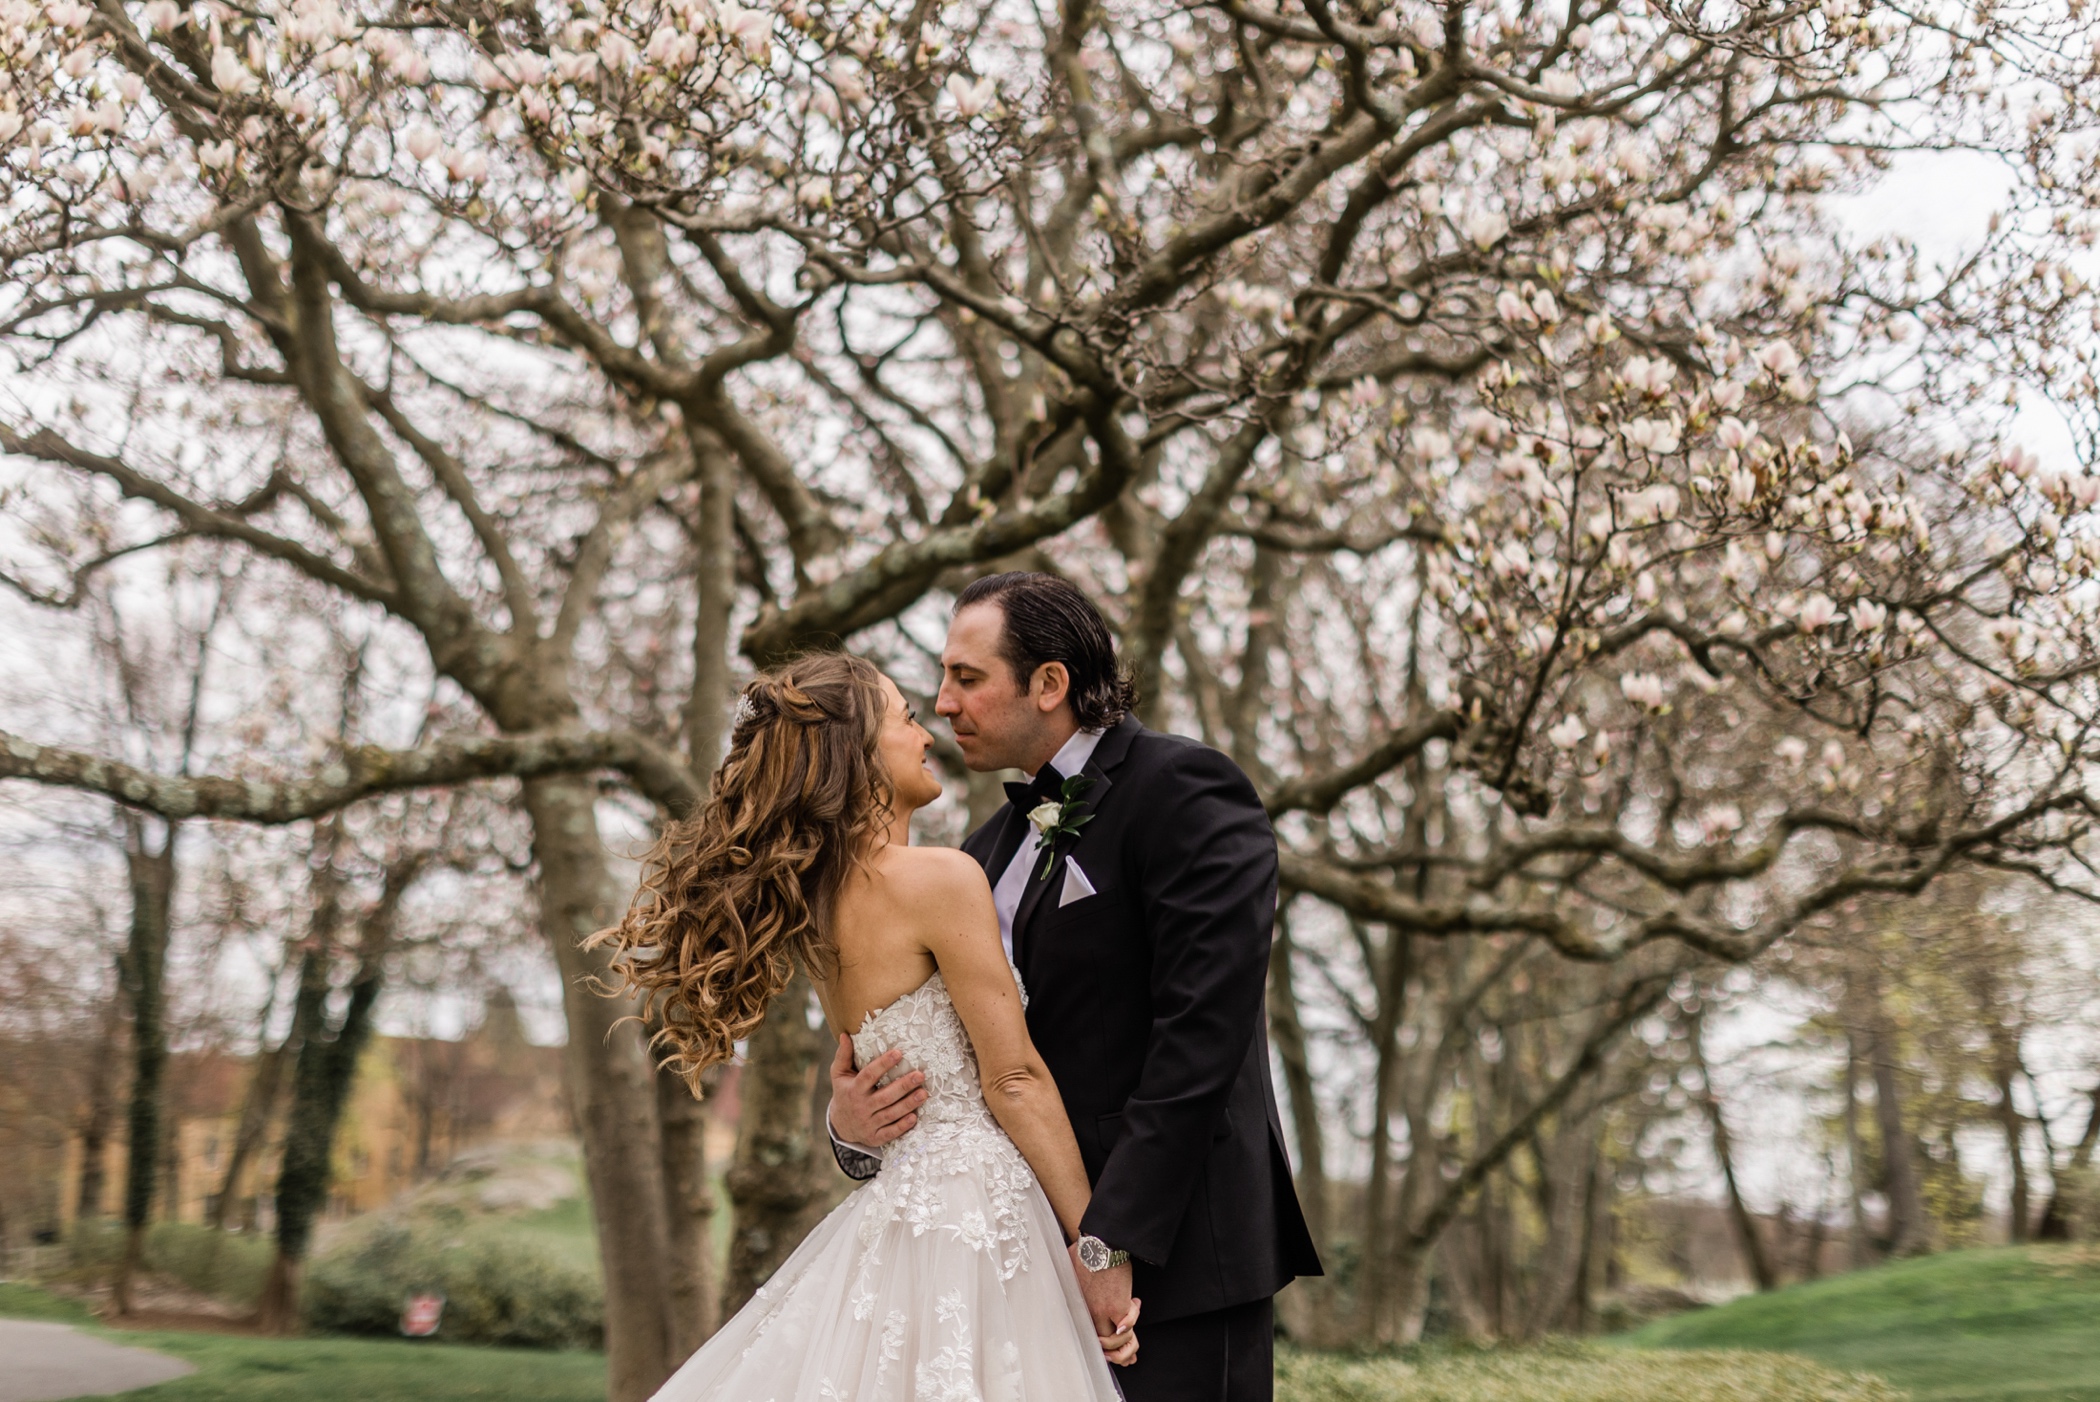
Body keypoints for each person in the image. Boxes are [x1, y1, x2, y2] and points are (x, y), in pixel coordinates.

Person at [828, 572, 1322, 1402]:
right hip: (1016, 1270)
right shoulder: (977, 856)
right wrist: (850, 1128)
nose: (943, 702)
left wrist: (1108, 1238)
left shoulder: (1188, 792)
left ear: (1050, 683)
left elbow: (1202, 1037)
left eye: (968, 677)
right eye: (943, 678)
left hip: (1176, 1258)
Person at [592, 651, 1136, 1402]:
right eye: (906, 720)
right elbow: (1010, 1078)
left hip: (903, 1213)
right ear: (858, 756)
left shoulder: (815, 905)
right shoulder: (940, 879)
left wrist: (848, 1130)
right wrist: (1097, 1247)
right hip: (976, 1214)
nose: (927, 732)